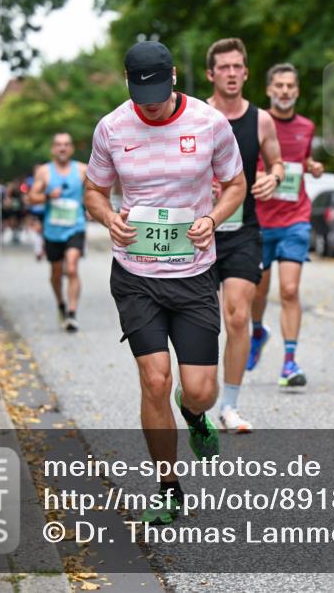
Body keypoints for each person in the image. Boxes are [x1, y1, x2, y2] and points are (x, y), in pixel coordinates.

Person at [84, 40, 245, 524]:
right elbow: (94, 190)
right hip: (135, 274)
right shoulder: (111, 127)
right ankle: (168, 486)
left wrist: (213, 218)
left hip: (194, 272)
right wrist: (108, 217)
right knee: (155, 379)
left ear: (174, 76)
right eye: (140, 92)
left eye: (156, 90)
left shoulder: (209, 122)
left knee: (200, 391)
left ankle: (193, 416)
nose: (149, 103)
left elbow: (235, 183)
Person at [204, 38, 284, 433]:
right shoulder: (198, 116)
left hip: (243, 231)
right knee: (202, 322)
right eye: (224, 67)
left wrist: (273, 177)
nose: (232, 73)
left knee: (237, 316)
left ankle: (229, 405)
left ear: (246, 73)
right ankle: (197, 392)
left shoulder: (262, 120)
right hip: (199, 233)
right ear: (211, 74)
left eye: (238, 66)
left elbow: (277, 162)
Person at [248, 63, 325, 385]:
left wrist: (313, 166)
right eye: (278, 85)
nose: (284, 91)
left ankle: (289, 363)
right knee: (258, 292)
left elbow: (299, 160)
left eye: (290, 86)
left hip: (295, 217)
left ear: (297, 91)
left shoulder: (306, 126)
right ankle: (257, 332)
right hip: (261, 220)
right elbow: (243, 163)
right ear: (269, 90)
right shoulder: (256, 123)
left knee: (290, 290)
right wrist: (260, 177)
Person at [27, 133, 89, 332]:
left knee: (71, 268)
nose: (62, 148)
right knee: (55, 272)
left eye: (66, 145)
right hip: (52, 230)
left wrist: (92, 209)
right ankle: (61, 303)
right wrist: (47, 195)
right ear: (53, 149)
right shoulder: (45, 172)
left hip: (75, 227)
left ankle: (72, 314)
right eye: (59, 145)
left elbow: (94, 192)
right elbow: (31, 197)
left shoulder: (82, 170)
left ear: (71, 149)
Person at [24, 169, 46, 261]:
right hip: (35, 210)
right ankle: (38, 251)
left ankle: (42, 250)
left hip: (46, 211)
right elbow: (26, 194)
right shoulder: (30, 181)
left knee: (44, 231)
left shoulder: (47, 180)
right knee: (38, 230)